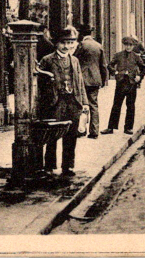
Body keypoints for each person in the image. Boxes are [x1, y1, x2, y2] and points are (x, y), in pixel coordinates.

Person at [37, 26, 88, 177]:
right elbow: (40, 83)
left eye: (71, 43)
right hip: (55, 103)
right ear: (57, 43)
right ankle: (50, 165)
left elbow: (80, 82)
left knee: (71, 136)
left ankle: (68, 166)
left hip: (73, 102)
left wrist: (84, 102)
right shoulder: (47, 60)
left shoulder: (75, 60)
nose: (67, 46)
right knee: (52, 135)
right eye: (64, 43)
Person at [102, 36, 145, 135]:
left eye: (130, 45)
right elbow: (110, 65)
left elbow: (144, 68)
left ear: (133, 46)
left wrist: (139, 77)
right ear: (124, 45)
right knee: (116, 105)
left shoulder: (136, 57)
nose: (128, 47)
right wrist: (115, 72)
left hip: (131, 84)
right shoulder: (118, 55)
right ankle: (111, 127)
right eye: (127, 45)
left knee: (130, 106)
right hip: (121, 83)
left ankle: (128, 128)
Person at [74, 24, 108, 139]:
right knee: (93, 105)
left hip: (82, 80)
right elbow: (103, 66)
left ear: (82, 34)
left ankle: (81, 130)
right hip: (95, 80)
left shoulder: (81, 45)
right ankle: (94, 131)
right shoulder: (98, 46)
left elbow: (74, 60)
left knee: (81, 104)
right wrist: (103, 80)